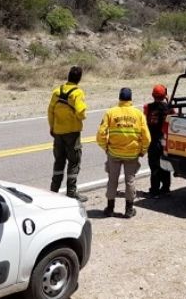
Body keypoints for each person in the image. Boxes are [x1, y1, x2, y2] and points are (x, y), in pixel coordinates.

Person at [97, 87, 151, 218]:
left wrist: (106, 147)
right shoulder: (138, 114)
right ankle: (129, 209)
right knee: (130, 181)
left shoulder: (111, 112)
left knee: (112, 180)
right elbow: (147, 138)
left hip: (114, 153)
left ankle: (110, 208)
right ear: (131, 99)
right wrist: (142, 151)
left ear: (119, 98)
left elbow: (100, 134)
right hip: (132, 154)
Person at [47, 66, 88, 202]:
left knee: (59, 161)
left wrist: (52, 127)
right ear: (79, 78)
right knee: (74, 161)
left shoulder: (57, 91)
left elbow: (50, 111)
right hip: (72, 133)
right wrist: (81, 117)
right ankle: (71, 192)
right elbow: (81, 111)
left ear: (68, 76)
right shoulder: (77, 93)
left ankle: (54, 190)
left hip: (58, 132)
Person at [144, 84, 173, 197]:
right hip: (165, 140)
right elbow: (174, 116)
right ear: (164, 95)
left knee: (154, 165)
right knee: (165, 165)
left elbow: (144, 119)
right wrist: (168, 100)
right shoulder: (169, 108)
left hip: (153, 139)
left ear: (152, 95)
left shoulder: (148, 107)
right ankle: (166, 188)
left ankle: (154, 190)